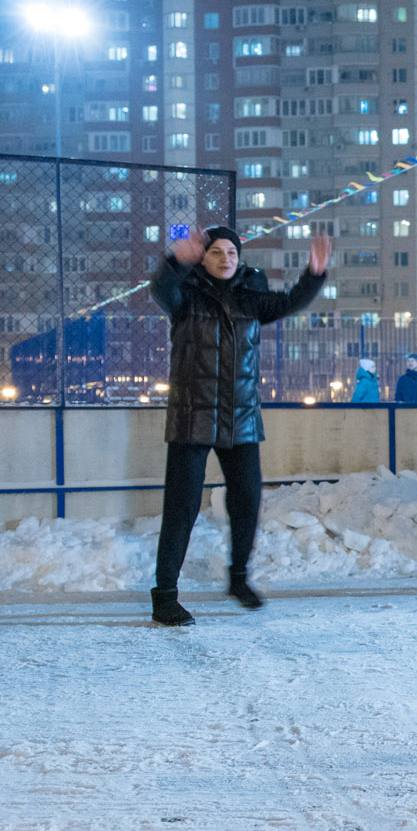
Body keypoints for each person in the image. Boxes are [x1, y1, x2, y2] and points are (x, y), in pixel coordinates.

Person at [149, 226, 331, 626]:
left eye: (232, 252)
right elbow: (161, 290)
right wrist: (175, 260)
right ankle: (164, 597)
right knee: (181, 510)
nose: (225, 258)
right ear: (203, 258)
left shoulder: (251, 299)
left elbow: (290, 302)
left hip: (241, 418)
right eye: (216, 252)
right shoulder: (186, 296)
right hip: (192, 418)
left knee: (247, 501)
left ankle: (238, 579)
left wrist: (314, 273)